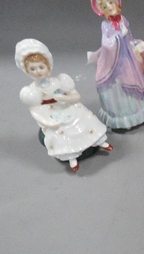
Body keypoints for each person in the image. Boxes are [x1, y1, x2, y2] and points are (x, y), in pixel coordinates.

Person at [16, 38, 112, 172]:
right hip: (49, 113)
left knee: (85, 118)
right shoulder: (32, 91)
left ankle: (99, 141)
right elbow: (35, 110)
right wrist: (47, 122)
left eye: (41, 67)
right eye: (32, 68)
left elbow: (76, 97)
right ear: (27, 71)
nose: (38, 71)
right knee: (61, 132)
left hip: (66, 106)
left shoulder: (59, 81)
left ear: (48, 66)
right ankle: (71, 156)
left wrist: (65, 99)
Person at [88, 0, 144, 130]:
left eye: (111, 3)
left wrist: (135, 43)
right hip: (116, 61)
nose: (109, 7)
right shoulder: (105, 25)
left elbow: (129, 36)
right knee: (121, 82)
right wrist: (120, 35)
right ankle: (123, 117)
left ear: (117, 4)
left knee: (136, 76)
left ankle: (140, 110)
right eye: (105, 6)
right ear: (102, 11)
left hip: (129, 56)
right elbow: (106, 43)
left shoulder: (123, 20)